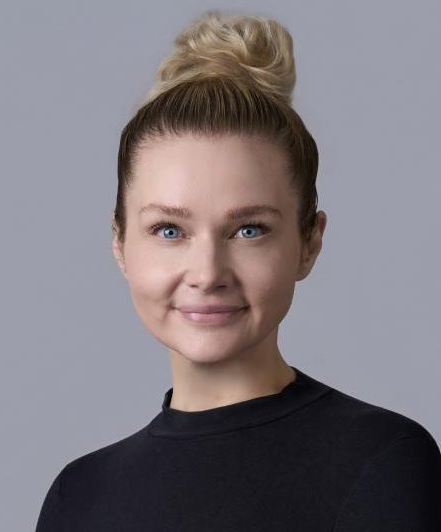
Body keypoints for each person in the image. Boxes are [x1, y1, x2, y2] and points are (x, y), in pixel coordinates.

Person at [34, 10, 441, 531]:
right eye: (169, 230)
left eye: (249, 230)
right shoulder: (79, 495)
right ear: (120, 242)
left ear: (309, 242)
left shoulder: (381, 462)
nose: (208, 273)